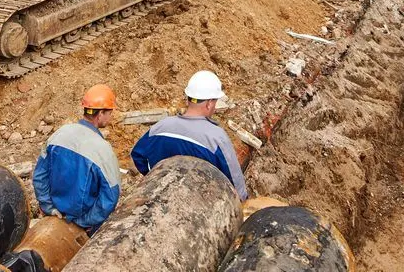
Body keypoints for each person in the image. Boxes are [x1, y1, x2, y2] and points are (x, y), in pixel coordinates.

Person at [130, 71, 247, 199]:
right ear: (209, 103)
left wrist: (155, 176)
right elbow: (234, 179)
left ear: (189, 98)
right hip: (201, 202)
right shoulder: (216, 137)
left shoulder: (160, 127)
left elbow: (138, 155)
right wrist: (242, 200)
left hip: (161, 196)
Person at [33, 85, 121, 234]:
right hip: (85, 227)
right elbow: (110, 197)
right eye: (109, 113)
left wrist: (48, 207)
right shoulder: (103, 150)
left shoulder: (59, 134)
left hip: (54, 216)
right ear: (100, 114)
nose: (111, 117)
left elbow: (40, 175)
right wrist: (84, 223)